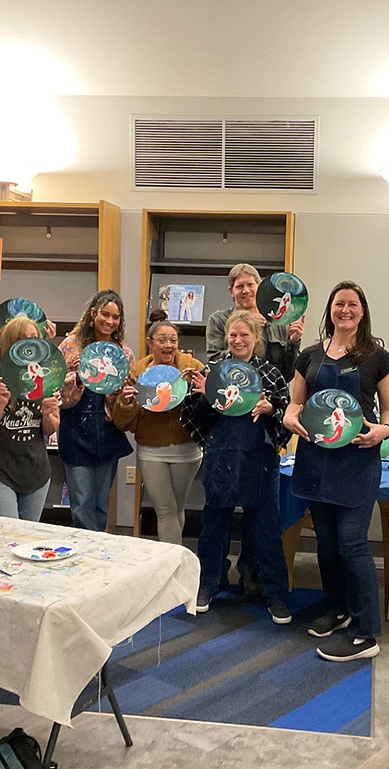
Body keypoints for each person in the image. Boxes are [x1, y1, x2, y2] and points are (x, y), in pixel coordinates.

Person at [282, 281, 389, 661]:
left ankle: (366, 633)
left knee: (352, 544)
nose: (345, 310)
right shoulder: (310, 356)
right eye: (339, 304)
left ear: (362, 312)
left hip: (356, 460)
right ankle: (338, 609)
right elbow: (296, 403)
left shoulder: (377, 357)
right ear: (329, 309)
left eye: (352, 304)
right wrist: (289, 416)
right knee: (327, 544)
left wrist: (384, 429)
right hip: (316, 459)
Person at [182, 310, 292, 624]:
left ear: (256, 338)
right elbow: (191, 417)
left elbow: (287, 414)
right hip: (221, 458)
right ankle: (208, 583)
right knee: (214, 525)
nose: (238, 340)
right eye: (233, 335)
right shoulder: (212, 372)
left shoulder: (270, 374)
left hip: (261, 459)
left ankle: (275, 593)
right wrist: (206, 396)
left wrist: (270, 409)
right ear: (226, 338)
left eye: (245, 335)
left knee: (266, 528)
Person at [206, 263, 305, 595]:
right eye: (240, 286)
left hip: (261, 425)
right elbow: (215, 363)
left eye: (251, 285)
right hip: (226, 425)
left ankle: (251, 572)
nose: (246, 290)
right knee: (218, 510)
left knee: (259, 513)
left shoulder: (278, 321)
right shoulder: (219, 320)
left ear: (259, 288)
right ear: (231, 290)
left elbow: (286, 375)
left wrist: (293, 343)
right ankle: (214, 576)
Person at [113, 319, 203, 544]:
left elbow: (206, 408)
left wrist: (195, 388)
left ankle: (174, 556)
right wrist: (125, 404)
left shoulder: (191, 366)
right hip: (151, 451)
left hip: (187, 450)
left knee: (176, 507)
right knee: (165, 510)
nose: (168, 345)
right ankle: (174, 560)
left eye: (173, 340)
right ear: (150, 342)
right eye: (162, 340)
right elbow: (124, 423)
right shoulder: (138, 372)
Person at [57, 290, 134, 530]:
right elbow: (56, 391)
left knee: (101, 504)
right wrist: (75, 376)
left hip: (107, 431)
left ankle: (98, 543)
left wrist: (121, 392)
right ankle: (86, 546)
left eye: (115, 317)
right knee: (81, 503)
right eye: (105, 314)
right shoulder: (70, 346)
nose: (110, 321)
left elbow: (128, 396)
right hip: (75, 430)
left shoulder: (123, 353)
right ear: (93, 313)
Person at [0, 317, 61, 520]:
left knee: (27, 536)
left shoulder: (47, 377)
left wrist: (48, 414)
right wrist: (1, 403)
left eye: (34, 337)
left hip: (36, 473)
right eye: (22, 338)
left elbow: (50, 429)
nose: (30, 343)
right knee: (6, 534)